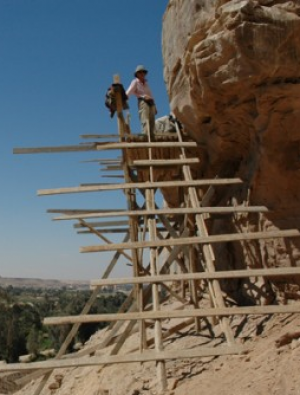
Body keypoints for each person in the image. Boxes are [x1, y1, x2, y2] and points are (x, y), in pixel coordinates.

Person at [126, 65, 157, 136]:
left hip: (151, 102)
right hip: (143, 101)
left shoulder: (146, 83)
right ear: (137, 74)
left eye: (143, 72)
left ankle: (152, 136)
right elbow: (129, 91)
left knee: (152, 120)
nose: (142, 74)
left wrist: (155, 106)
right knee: (145, 119)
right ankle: (145, 135)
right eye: (140, 72)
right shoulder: (135, 82)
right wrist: (124, 98)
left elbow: (150, 94)